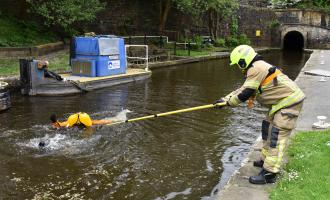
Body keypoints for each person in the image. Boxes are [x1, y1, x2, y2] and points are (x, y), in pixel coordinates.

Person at [214, 45, 305, 184]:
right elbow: (243, 88)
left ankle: (270, 173)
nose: (238, 68)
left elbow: (245, 94)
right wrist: (224, 99)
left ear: (243, 61)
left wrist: (228, 103)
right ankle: (265, 160)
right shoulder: (256, 67)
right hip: (280, 104)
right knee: (266, 128)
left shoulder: (255, 68)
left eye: (238, 64)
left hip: (289, 103)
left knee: (276, 135)